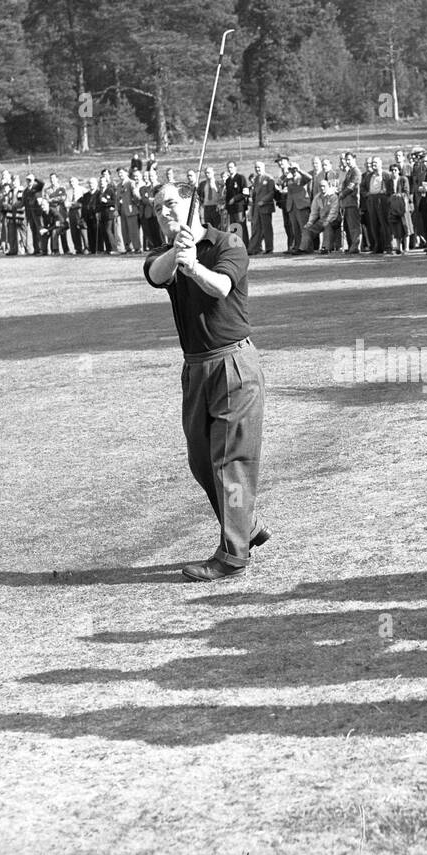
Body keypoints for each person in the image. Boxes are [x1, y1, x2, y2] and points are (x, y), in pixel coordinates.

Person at [143, 193, 269, 583]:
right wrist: (177, 254)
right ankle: (246, 526)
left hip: (233, 363)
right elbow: (154, 274)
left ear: (193, 204)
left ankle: (233, 555)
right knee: (201, 461)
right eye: (158, 207)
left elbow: (221, 287)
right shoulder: (164, 253)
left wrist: (193, 264)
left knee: (229, 461)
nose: (164, 211)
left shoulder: (228, 243)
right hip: (195, 368)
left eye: (171, 203)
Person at [248, 161, 277, 254]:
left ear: (264, 167)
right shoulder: (256, 179)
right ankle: (254, 248)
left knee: (267, 228)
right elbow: (255, 194)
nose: (257, 169)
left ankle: (269, 248)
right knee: (256, 227)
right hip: (256, 207)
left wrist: (263, 201)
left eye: (259, 167)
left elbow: (272, 192)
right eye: (256, 167)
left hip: (266, 207)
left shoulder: (269, 178)